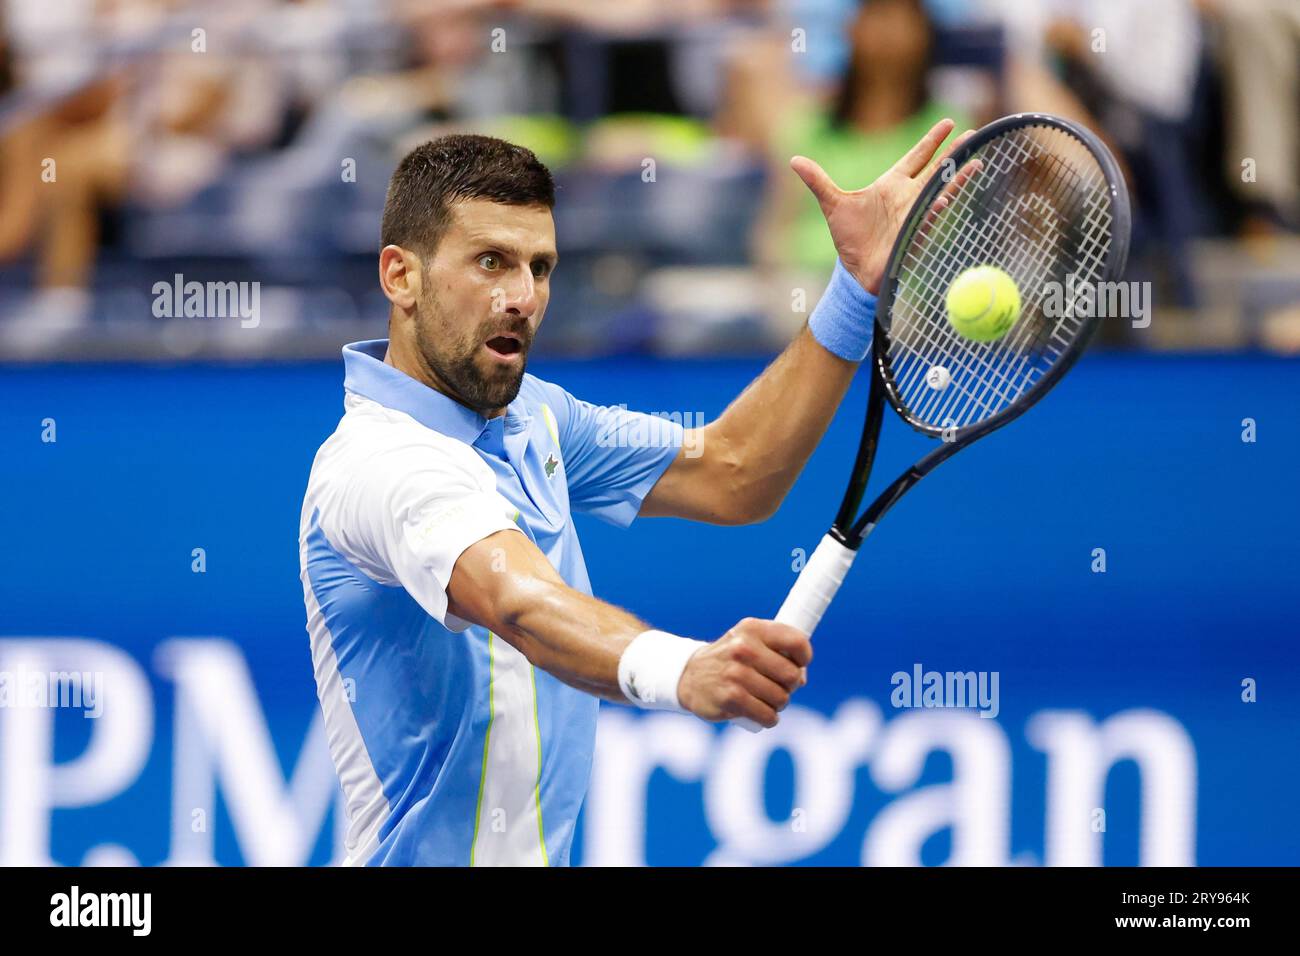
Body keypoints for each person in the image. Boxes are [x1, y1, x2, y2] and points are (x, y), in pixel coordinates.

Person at [299, 124, 969, 866]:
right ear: (401, 277)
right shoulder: (379, 462)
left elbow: (733, 471)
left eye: (540, 267)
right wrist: (686, 670)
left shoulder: (539, 419)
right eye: (491, 262)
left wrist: (854, 288)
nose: (522, 296)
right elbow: (518, 602)